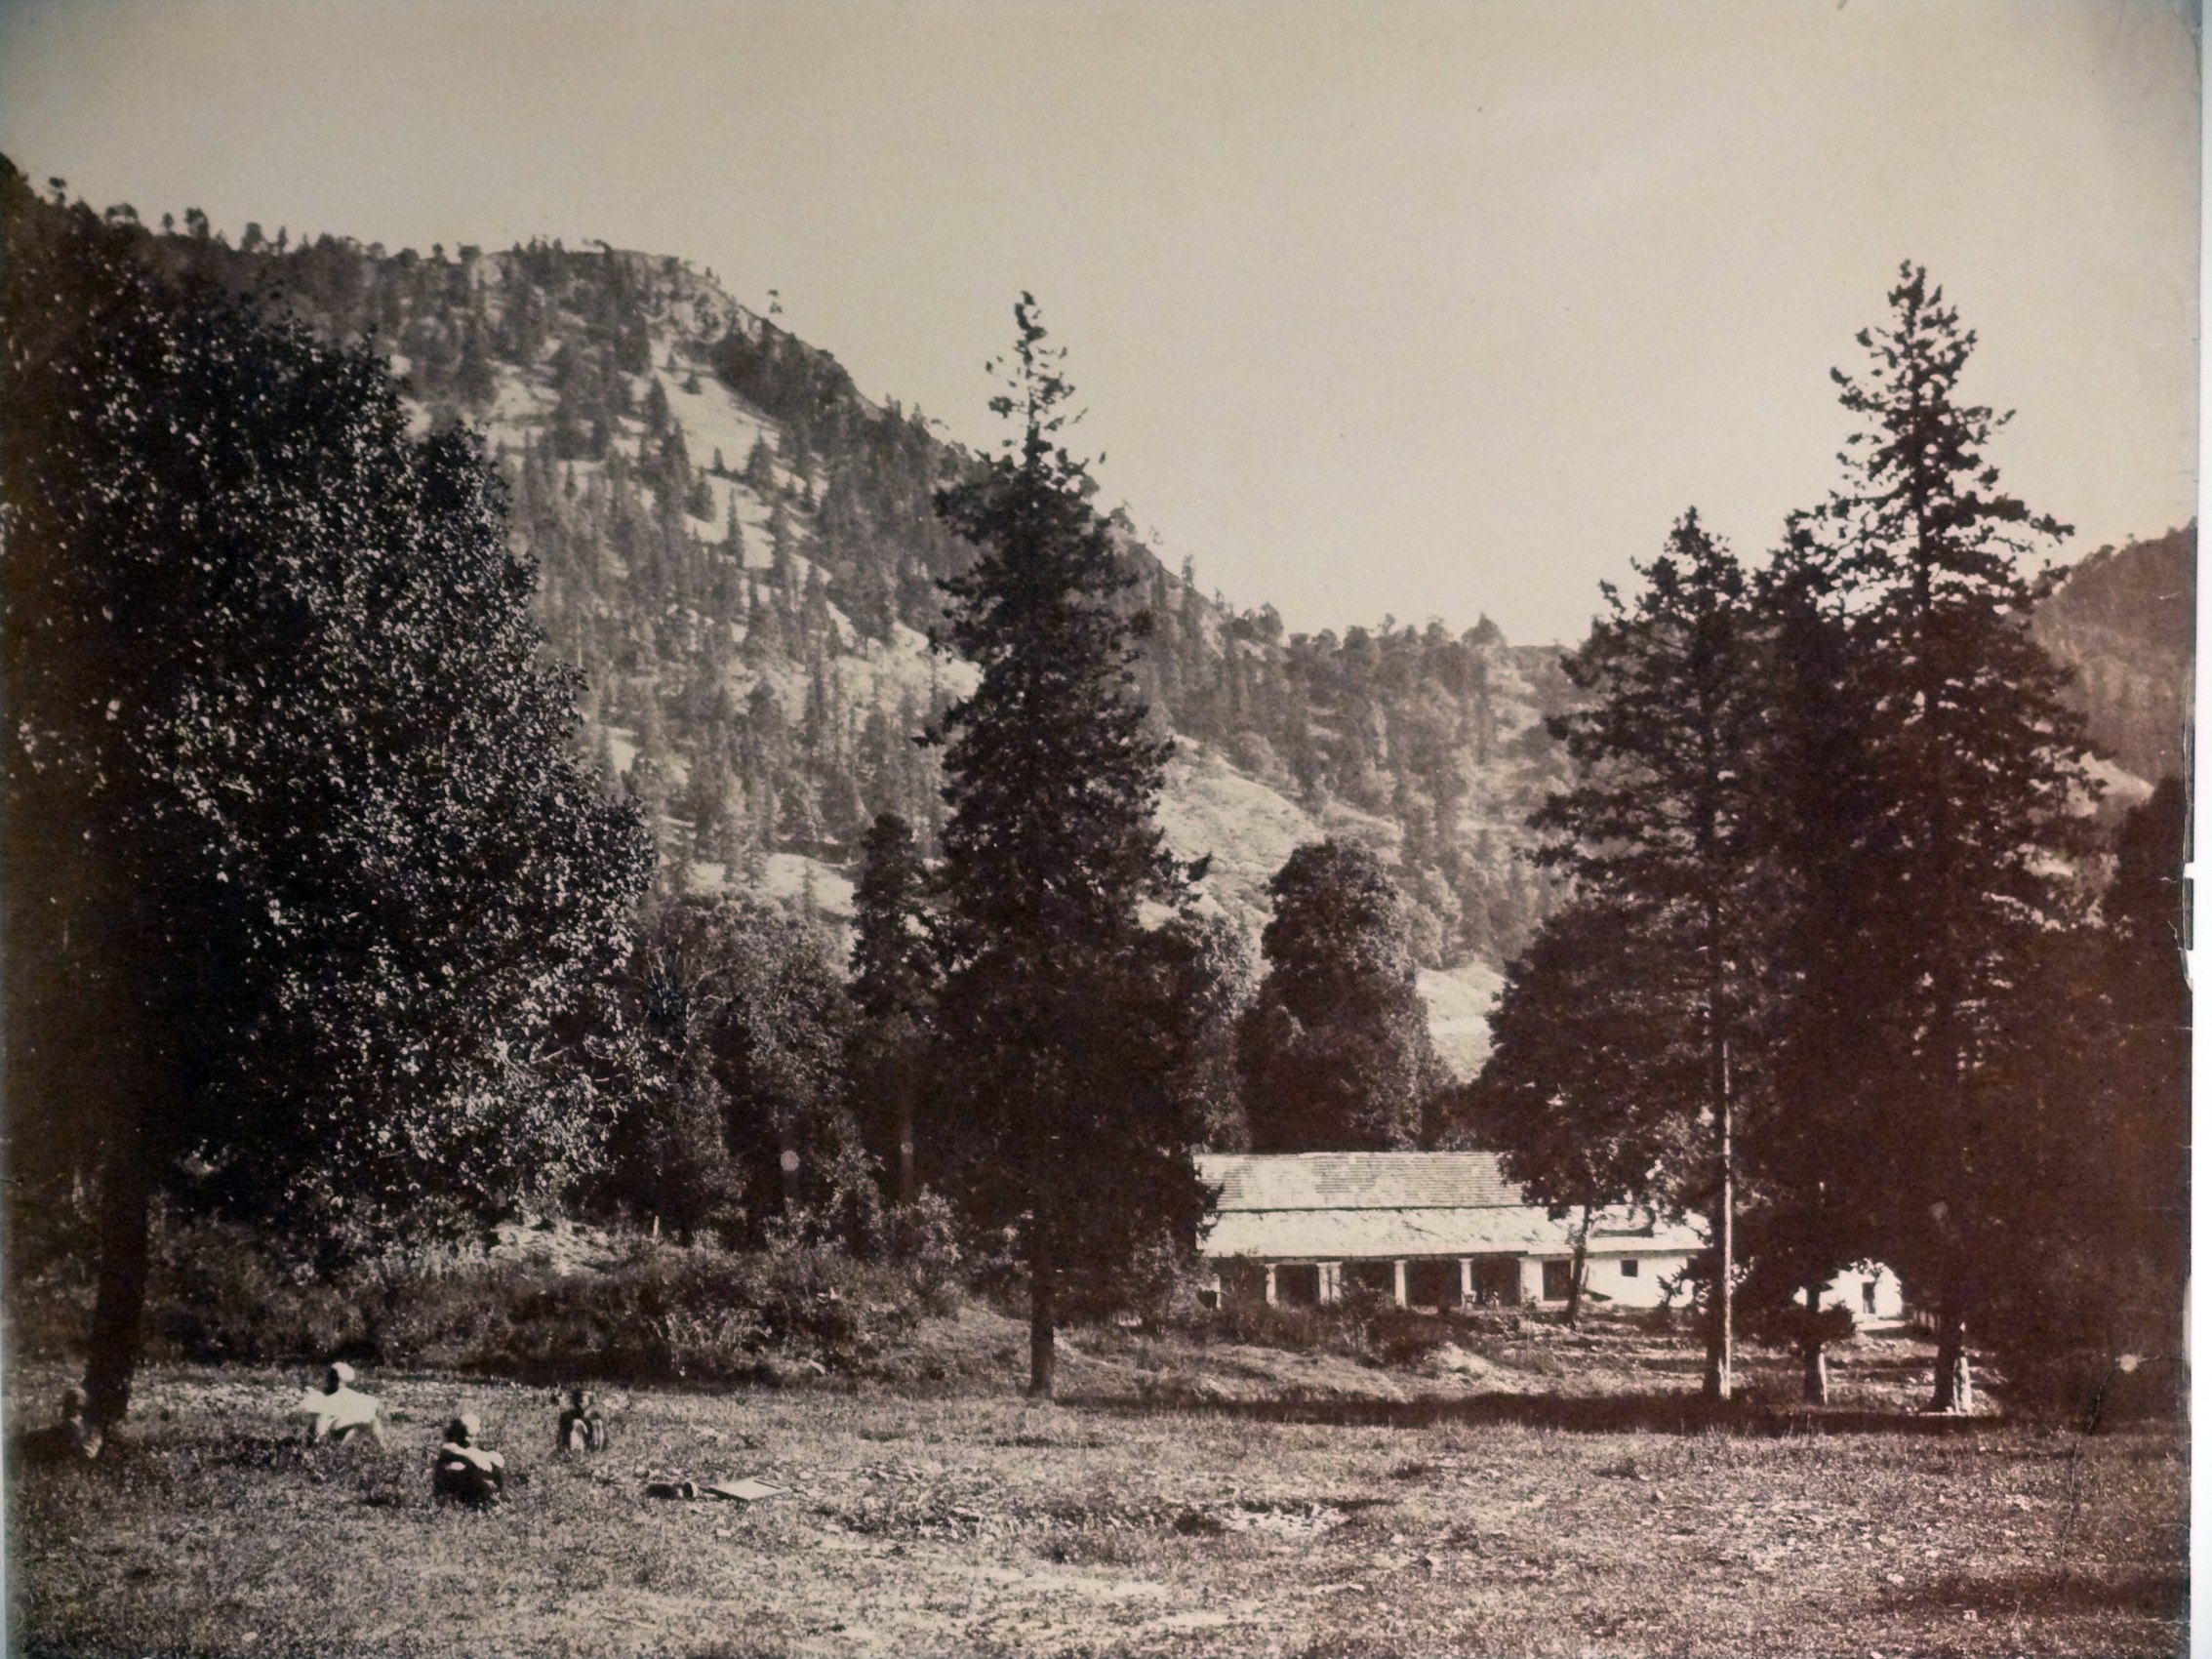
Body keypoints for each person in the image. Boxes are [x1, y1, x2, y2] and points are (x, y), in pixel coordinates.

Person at [294, 1362, 384, 1446]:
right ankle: (322, 1445)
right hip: (329, 1429)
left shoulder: (350, 1395)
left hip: (344, 1427)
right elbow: (308, 1410)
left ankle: (381, 1449)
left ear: (342, 1381)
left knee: (368, 1423)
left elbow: (372, 1407)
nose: (330, 1380)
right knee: (323, 1417)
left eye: (334, 1378)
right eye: (330, 1377)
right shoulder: (320, 1395)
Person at [432, 1413, 507, 1506]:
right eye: (469, 1436)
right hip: (454, 1493)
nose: (473, 1440)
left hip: (469, 1491)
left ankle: (495, 1498)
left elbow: (497, 1461)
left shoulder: (467, 1448)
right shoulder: (450, 1448)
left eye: (475, 1436)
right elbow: (458, 1453)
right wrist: (482, 1458)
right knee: (460, 1467)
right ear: (459, 1434)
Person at [19, 1387, 102, 1465]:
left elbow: (84, 1453)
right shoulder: (91, 1427)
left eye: (67, 1405)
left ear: (76, 1407)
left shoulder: (71, 1424)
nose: (64, 1409)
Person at [556, 1389, 608, 1453]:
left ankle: (597, 1449)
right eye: (580, 1400)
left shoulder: (594, 1415)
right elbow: (561, 1433)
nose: (580, 1402)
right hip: (573, 1446)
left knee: (598, 1423)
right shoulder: (567, 1415)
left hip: (590, 1445)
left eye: (582, 1400)